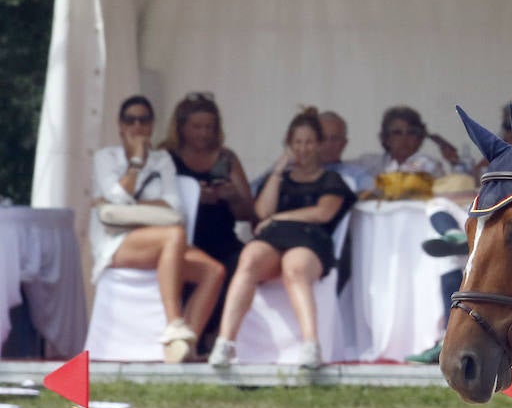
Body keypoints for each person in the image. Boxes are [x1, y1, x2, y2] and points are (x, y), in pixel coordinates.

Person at [406, 96, 512, 365]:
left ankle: (462, 245)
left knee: (461, 254)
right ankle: (456, 240)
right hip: (500, 230)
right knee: (442, 227)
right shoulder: (505, 157)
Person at [208, 108, 356, 370]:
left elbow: (324, 212)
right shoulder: (280, 179)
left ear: (320, 144)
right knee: (250, 257)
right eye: (297, 142)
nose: (303, 148)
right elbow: (262, 212)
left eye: (309, 142)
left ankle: (311, 345)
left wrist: (281, 218)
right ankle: (225, 341)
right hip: (273, 241)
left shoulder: (331, 179)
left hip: (310, 241)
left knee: (295, 266)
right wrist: (277, 172)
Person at [91, 96, 226, 363]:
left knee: (214, 271)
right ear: (120, 125)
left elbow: (176, 206)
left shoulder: (162, 159)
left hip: (161, 241)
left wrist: (130, 207)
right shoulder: (105, 157)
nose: (137, 125)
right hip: (117, 242)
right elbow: (116, 197)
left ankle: (184, 347)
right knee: (173, 235)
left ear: (152, 125)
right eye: (130, 119)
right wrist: (137, 163)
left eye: (144, 119)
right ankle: (174, 322)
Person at [161, 92, 255, 350]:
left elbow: (249, 212)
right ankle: (194, 336)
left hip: (223, 239)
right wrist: (191, 196)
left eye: (209, 127)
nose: (203, 133)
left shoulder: (226, 158)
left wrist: (232, 197)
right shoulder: (166, 157)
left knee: (243, 265)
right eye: (197, 127)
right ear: (181, 127)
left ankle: (216, 333)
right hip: (185, 240)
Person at [351, 106, 478, 186]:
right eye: (397, 133)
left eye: (411, 133)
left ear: (419, 138)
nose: (404, 139)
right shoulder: (369, 163)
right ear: (386, 138)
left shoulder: (430, 166)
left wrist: (455, 162)